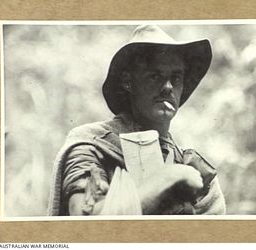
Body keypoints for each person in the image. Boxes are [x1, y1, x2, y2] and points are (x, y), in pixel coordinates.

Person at [48, 25, 226, 216]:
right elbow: (86, 224)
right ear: (128, 81)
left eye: (176, 78)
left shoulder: (193, 167)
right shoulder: (92, 145)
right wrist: (167, 179)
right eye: (155, 76)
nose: (167, 87)